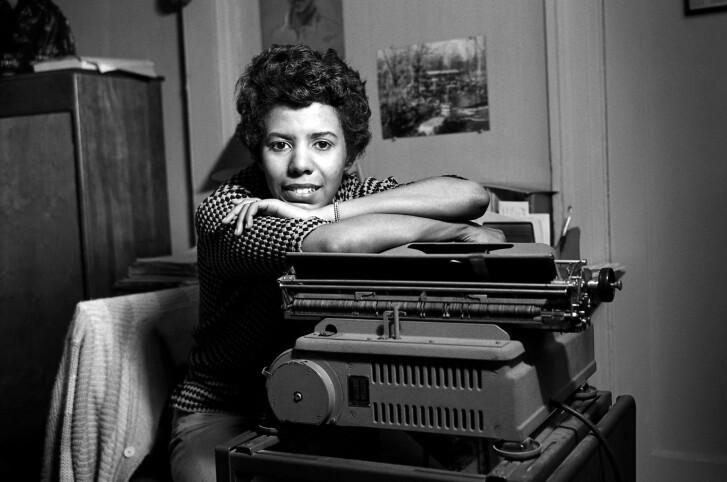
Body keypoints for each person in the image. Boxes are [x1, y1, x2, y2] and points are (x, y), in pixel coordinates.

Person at [168, 44, 504, 482]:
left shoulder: (351, 197)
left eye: (322, 144)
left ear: (349, 154)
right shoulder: (230, 209)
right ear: (258, 149)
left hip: (331, 395)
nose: (301, 164)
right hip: (227, 408)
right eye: (280, 144)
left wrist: (331, 211)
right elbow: (332, 246)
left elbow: (470, 195)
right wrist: (441, 231)